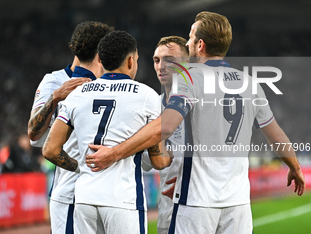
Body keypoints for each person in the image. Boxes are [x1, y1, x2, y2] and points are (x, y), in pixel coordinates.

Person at [85, 12, 305, 233]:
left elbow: (166, 126)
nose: (187, 42)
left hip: (197, 203)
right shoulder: (250, 83)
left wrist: (114, 153)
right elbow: (275, 134)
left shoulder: (189, 78)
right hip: (238, 205)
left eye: (190, 38)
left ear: (200, 45)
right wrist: (294, 167)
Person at [42, 30, 172, 234]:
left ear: (100, 60)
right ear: (131, 61)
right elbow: (159, 161)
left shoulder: (78, 94)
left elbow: (50, 150)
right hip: (123, 200)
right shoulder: (148, 96)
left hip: (84, 198)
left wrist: (80, 167)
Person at [28, 21, 113, 234]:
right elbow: (33, 134)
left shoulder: (111, 84)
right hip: (70, 193)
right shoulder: (54, 81)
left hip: (105, 194)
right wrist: (55, 98)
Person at [152, 36, 189, 234]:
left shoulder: (203, 104)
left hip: (200, 208)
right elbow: (146, 163)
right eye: (157, 60)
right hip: (168, 210)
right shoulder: (152, 106)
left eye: (169, 60)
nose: (161, 66)